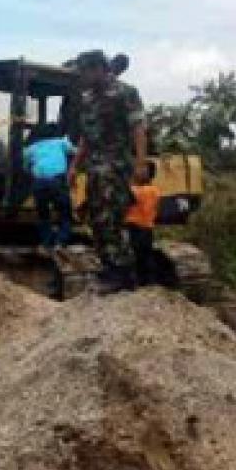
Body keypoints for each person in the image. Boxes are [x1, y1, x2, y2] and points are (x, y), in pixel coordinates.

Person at [69, 50, 149, 293]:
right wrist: (75, 165)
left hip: (115, 166)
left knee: (110, 217)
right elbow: (86, 136)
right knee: (95, 216)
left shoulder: (125, 93)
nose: (81, 76)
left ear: (98, 69)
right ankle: (109, 267)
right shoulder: (88, 98)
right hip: (94, 166)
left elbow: (138, 128)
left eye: (84, 71)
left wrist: (141, 162)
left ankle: (122, 272)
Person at [23, 124, 76, 250]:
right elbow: (76, 152)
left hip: (39, 183)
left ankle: (46, 243)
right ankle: (60, 242)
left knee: (43, 215)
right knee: (64, 213)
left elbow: (25, 167)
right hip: (57, 181)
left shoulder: (30, 149)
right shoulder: (60, 143)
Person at [126, 160, 160, 286]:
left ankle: (137, 282)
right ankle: (148, 281)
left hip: (135, 227)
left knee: (136, 256)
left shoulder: (138, 191)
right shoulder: (155, 190)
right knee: (145, 256)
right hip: (147, 228)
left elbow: (129, 196)